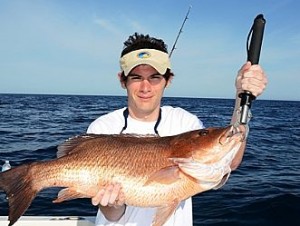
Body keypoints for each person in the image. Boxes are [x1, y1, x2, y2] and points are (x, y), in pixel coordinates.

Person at [87, 33, 268, 226]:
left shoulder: (184, 122)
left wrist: (242, 97)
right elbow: (112, 216)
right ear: (123, 80)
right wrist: (111, 205)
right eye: (136, 77)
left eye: (155, 77)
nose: (145, 87)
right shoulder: (103, 127)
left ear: (168, 80)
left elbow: (229, 162)